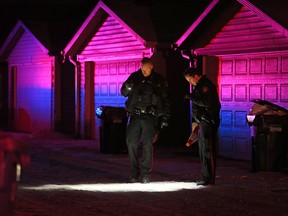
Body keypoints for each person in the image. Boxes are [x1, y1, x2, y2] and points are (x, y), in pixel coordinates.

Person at [120, 57, 171, 184]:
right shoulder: (135, 77)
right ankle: (134, 172)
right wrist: (127, 87)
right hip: (135, 115)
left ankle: (145, 173)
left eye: (146, 69)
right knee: (131, 142)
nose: (144, 72)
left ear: (151, 67)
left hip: (150, 117)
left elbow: (166, 100)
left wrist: (165, 118)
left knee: (147, 144)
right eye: (142, 69)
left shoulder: (158, 80)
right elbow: (124, 92)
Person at [183, 67, 221, 186]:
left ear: (195, 76)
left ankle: (208, 178)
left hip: (208, 121)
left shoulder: (205, 86)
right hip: (203, 121)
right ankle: (205, 176)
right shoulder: (199, 86)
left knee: (207, 150)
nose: (190, 82)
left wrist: (191, 97)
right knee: (203, 150)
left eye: (190, 80)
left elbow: (206, 102)